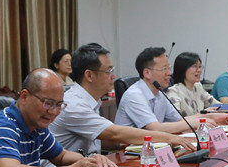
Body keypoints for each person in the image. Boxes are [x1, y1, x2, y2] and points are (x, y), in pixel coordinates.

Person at [49, 43, 194, 156]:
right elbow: (115, 133)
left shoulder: (91, 100)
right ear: (89, 75)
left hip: (89, 166)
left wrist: (122, 145)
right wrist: (168, 138)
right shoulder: (73, 104)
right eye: (108, 71)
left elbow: (94, 139)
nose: (113, 76)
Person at [114, 47, 228, 132]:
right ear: (147, 73)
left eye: (169, 68)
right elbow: (155, 128)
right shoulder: (135, 95)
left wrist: (210, 117)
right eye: (164, 69)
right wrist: (197, 122)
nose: (169, 73)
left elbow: (179, 121)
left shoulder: (159, 93)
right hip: (127, 153)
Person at [167, 51, 218, 116]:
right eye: (195, 66)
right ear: (182, 69)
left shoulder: (197, 87)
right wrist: (203, 114)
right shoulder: (174, 92)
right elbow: (175, 119)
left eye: (200, 66)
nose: (199, 70)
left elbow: (216, 105)